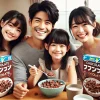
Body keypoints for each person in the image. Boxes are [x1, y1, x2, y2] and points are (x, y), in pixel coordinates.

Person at [12, 1, 76, 99]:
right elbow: (21, 81)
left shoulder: (65, 45)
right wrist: (20, 88)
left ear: (52, 26)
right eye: (37, 20)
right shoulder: (18, 51)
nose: (42, 26)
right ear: (30, 22)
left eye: (47, 22)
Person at [69, 6, 100, 99]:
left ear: (93, 24)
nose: (80, 30)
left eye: (84, 24)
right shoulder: (77, 53)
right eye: (75, 26)